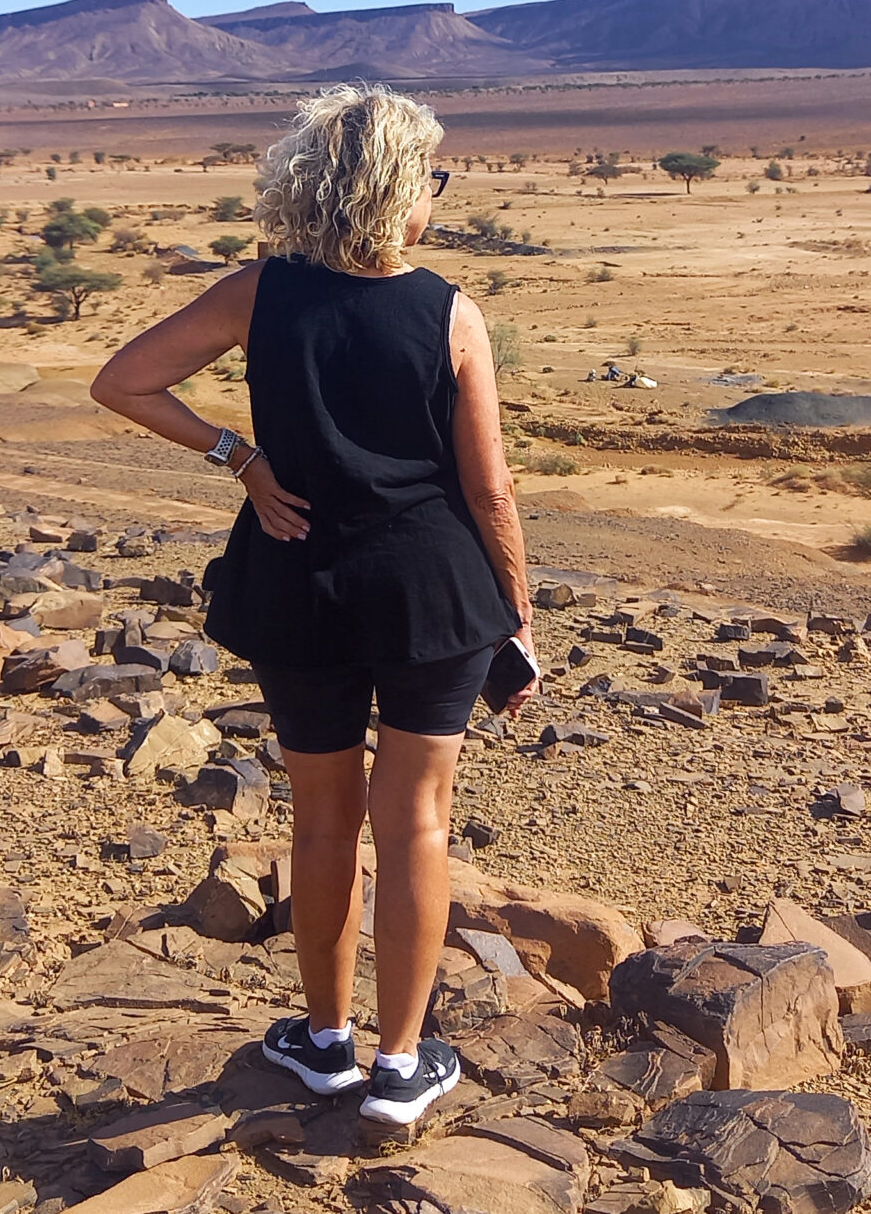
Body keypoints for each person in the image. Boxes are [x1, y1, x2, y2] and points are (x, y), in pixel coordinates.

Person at [90, 83, 535, 1130]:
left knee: (322, 814)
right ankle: (400, 1065)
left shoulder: (259, 293)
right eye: (431, 175)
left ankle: (325, 1044)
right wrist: (514, 616)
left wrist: (240, 461)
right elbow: (491, 491)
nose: (435, 193)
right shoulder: (448, 311)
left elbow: (124, 382)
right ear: (396, 189)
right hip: (429, 587)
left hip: (295, 579)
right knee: (417, 823)